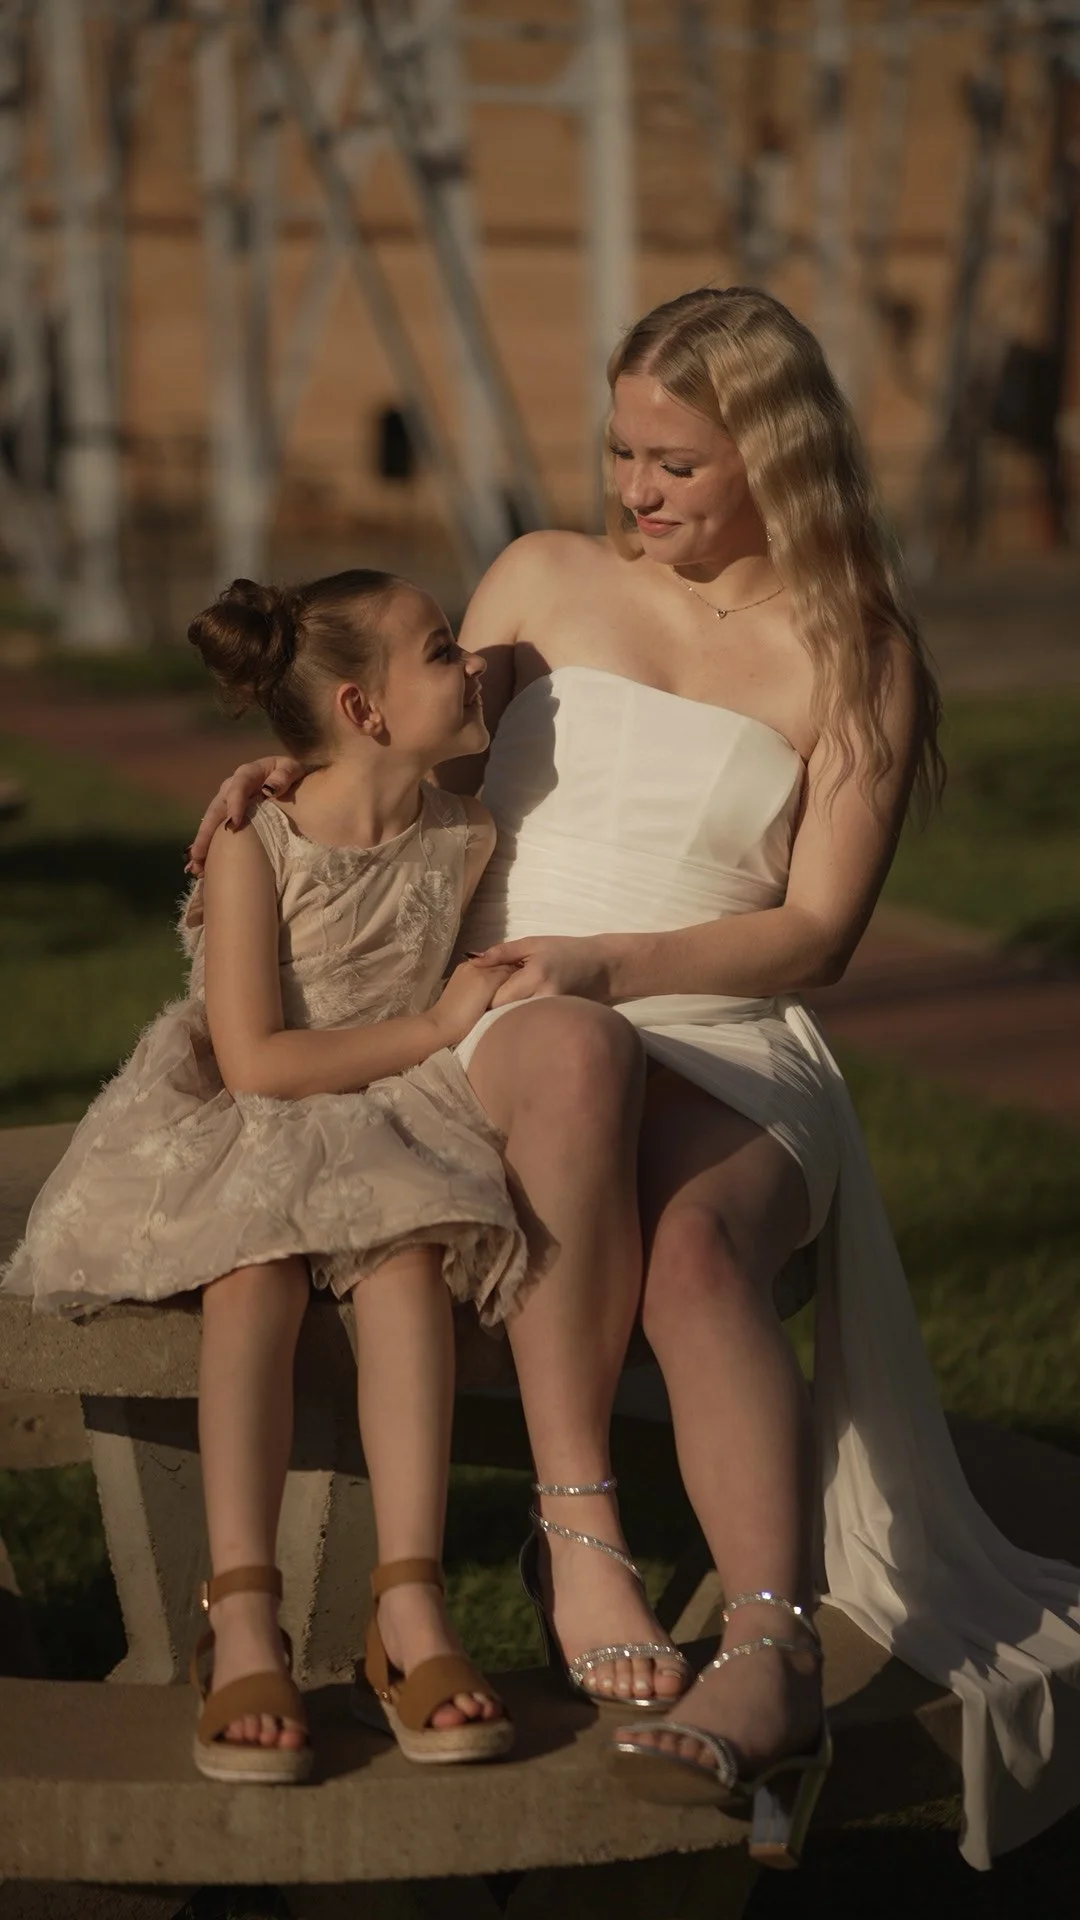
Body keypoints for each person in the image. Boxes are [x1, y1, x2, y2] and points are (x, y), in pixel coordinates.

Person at [190, 289, 1080, 1870]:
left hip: (725, 1015)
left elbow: (815, 935)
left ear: (776, 458)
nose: (634, 491)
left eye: (674, 462)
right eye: (619, 451)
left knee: (695, 1244)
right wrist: (285, 773)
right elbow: (406, 745)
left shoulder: (853, 649)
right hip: (513, 1000)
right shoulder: (542, 580)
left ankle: (768, 1648)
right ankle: (580, 1520)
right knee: (571, 1050)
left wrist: (627, 963)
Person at [5, 569, 550, 1782]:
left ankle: (408, 1608)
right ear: (363, 710)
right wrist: (434, 1026)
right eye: (442, 648)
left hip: (386, 1118)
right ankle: (240, 1609)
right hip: (254, 1110)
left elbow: (512, 673)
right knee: (256, 1274)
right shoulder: (262, 841)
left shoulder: (460, 827)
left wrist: (286, 745)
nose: (472, 664)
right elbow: (253, 1063)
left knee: (406, 1268)